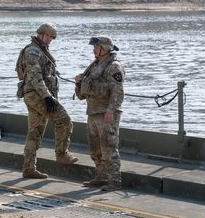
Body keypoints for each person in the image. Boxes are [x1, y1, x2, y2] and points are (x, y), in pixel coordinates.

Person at [16, 23, 78, 179]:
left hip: (35, 95)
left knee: (35, 132)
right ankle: (62, 154)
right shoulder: (33, 51)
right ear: (41, 34)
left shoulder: (41, 50)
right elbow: (35, 76)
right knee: (64, 120)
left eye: (52, 37)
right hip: (38, 95)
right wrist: (47, 97)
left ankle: (29, 168)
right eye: (48, 36)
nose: (49, 39)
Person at [75, 36, 125, 191]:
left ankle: (114, 180)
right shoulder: (95, 66)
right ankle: (101, 176)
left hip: (106, 113)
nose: (94, 50)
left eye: (97, 47)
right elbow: (84, 92)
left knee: (109, 147)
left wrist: (111, 110)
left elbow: (118, 91)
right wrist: (78, 82)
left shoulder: (114, 66)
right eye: (94, 47)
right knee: (95, 147)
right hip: (93, 111)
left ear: (106, 48)